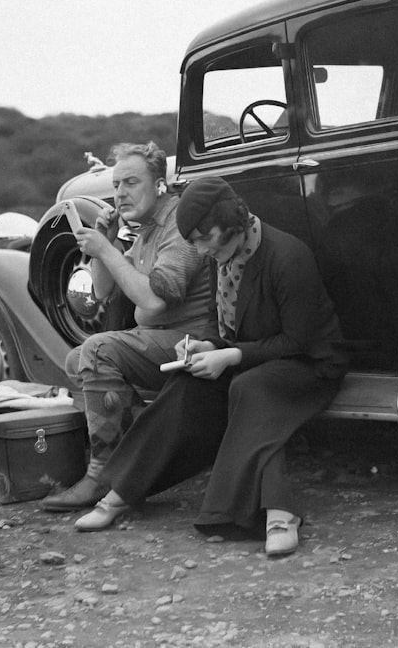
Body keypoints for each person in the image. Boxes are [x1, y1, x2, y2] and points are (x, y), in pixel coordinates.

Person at [72, 177, 349, 557]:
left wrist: (230, 356)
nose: (201, 248)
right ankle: (120, 492)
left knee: (249, 389)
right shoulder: (222, 254)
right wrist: (207, 345)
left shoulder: (287, 255)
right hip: (253, 357)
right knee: (188, 384)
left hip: (309, 364)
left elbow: (296, 341)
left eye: (205, 238)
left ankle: (279, 513)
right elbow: (218, 321)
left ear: (230, 223)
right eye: (195, 241)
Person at [41, 142, 212, 512]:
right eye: (116, 185)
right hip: (164, 340)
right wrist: (112, 238)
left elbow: (152, 301)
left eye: (131, 182)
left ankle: (102, 473)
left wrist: (105, 250)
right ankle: (140, 454)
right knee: (77, 361)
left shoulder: (178, 226)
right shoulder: (148, 228)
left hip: (196, 344)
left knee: (97, 351)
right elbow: (102, 290)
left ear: (160, 185)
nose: (120, 193)